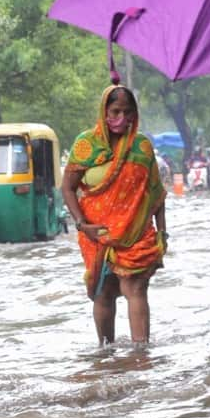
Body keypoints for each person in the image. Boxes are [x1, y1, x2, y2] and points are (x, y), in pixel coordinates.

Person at [61, 85, 168, 345]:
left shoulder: (141, 147)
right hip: (97, 234)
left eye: (128, 112)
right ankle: (106, 355)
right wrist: (81, 224)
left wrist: (162, 233)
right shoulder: (86, 145)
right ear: (104, 112)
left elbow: (155, 194)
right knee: (104, 293)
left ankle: (141, 356)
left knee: (136, 288)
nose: (122, 118)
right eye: (115, 111)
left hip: (136, 234)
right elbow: (68, 187)